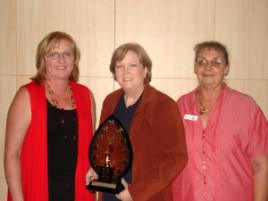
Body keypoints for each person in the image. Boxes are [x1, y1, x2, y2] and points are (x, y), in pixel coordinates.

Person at [86, 42, 188, 201]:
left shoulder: (164, 105)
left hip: (145, 196)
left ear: (145, 70)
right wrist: (96, 168)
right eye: (119, 66)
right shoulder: (110, 101)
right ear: (114, 72)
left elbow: (177, 158)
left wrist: (136, 192)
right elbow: (104, 146)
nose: (125, 72)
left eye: (132, 65)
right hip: (110, 194)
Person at [4, 31, 95, 201]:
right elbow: (12, 154)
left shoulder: (86, 95)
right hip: (37, 191)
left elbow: (91, 150)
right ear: (43, 59)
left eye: (67, 54)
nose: (61, 60)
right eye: (53, 54)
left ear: (74, 59)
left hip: (77, 191)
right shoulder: (27, 95)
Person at [172, 41, 268, 201]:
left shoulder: (246, 107)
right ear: (195, 67)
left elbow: (262, 165)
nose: (208, 67)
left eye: (216, 62)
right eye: (202, 62)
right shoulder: (181, 106)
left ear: (226, 68)